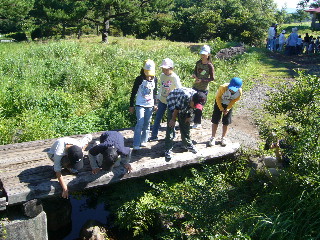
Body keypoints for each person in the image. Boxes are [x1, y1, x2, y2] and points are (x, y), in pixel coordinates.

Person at [164, 88, 207, 160]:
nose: (195, 107)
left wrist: (189, 116)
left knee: (186, 124)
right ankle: (168, 149)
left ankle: (187, 144)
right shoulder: (185, 96)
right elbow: (177, 109)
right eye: (195, 105)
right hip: (174, 100)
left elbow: (193, 108)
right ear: (192, 100)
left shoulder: (201, 99)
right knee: (171, 125)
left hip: (186, 103)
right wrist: (173, 119)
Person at [47, 134, 92, 198]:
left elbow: (89, 136)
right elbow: (57, 171)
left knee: (76, 156)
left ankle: (71, 164)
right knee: (64, 161)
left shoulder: (78, 145)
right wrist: (65, 188)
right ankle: (67, 166)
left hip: (71, 151)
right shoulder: (58, 153)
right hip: (52, 154)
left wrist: (81, 151)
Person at [149, 58, 182, 141]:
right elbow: (161, 87)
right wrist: (157, 99)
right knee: (158, 118)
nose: (164, 71)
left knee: (170, 119)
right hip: (162, 100)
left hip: (171, 102)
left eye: (166, 69)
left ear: (171, 68)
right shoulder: (162, 76)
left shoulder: (174, 77)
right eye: (163, 69)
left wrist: (177, 100)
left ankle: (172, 135)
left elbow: (180, 89)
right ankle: (154, 135)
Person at [129, 59, 158, 150]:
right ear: (144, 71)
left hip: (150, 104)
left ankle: (144, 141)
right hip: (140, 104)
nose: (149, 76)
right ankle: (136, 143)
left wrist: (156, 103)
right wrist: (131, 105)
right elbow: (133, 92)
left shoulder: (155, 79)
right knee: (140, 122)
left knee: (147, 123)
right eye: (147, 73)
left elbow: (155, 92)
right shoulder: (139, 79)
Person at [208, 77, 242, 147]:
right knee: (215, 120)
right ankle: (213, 137)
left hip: (229, 104)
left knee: (226, 121)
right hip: (219, 103)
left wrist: (228, 109)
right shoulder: (223, 87)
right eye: (231, 88)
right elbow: (217, 98)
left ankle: (223, 138)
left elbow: (234, 100)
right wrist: (221, 108)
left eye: (234, 89)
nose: (232, 90)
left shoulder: (239, 92)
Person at [191, 45, 215, 129]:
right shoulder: (198, 62)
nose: (203, 56)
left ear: (208, 54)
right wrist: (194, 75)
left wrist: (202, 80)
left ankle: (198, 123)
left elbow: (212, 78)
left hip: (203, 88)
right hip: (195, 86)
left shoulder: (209, 65)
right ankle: (194, 118)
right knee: (193, 103)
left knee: (199, 105)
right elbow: (195, 71)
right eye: (202, 54)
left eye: (204, 54)